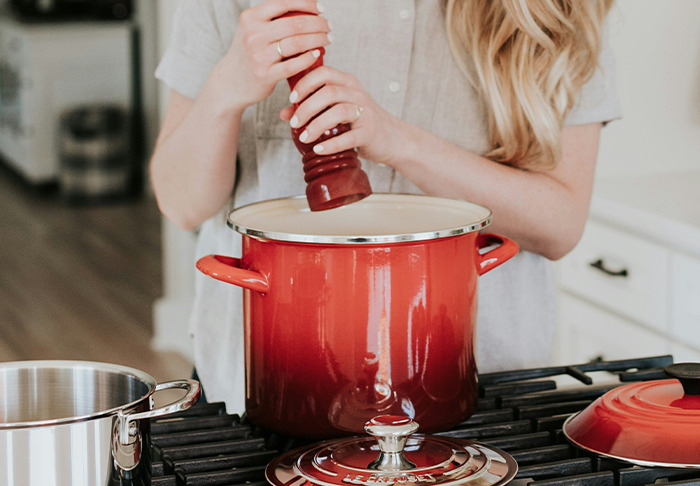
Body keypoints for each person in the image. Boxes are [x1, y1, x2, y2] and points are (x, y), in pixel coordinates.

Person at [151, 0, 621, 413]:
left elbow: (560, 225)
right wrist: (223, 92)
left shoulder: (560, 10)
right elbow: (180, 204)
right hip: (263, 388)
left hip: (480, 394)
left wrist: (396, 140)